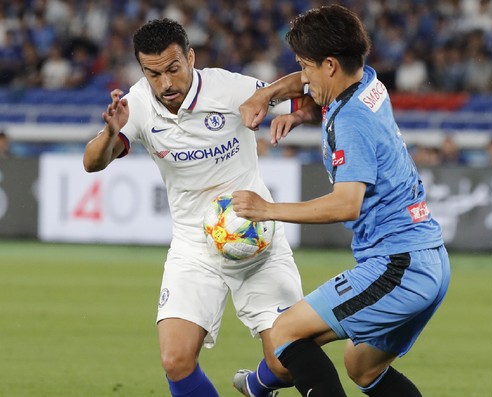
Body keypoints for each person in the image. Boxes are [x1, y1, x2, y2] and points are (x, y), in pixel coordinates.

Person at [232, 5, 450, 397]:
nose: (304, 76)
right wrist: (277, 100)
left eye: (306, 65)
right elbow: (310, 86)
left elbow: (345, 205)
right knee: (362, 366)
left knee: (284, 334)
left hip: (397, 266)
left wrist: (266, 210)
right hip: (429, 259)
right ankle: (258, 386)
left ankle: (259, 385)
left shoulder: (352, 122)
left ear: (330, 65)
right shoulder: (368, 82)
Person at [83, 18, 307, 397]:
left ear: (190, 57)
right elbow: (92, 163)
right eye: (153, 74)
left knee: (286, 366)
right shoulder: (136, 105)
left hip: (255, 240)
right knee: (176, 360)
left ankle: (256, 385)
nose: (165, 83)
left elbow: (307, 85)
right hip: (193, 246)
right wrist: (109, 133)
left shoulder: (229, 88)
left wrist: (296, 112)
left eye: (173, 69)